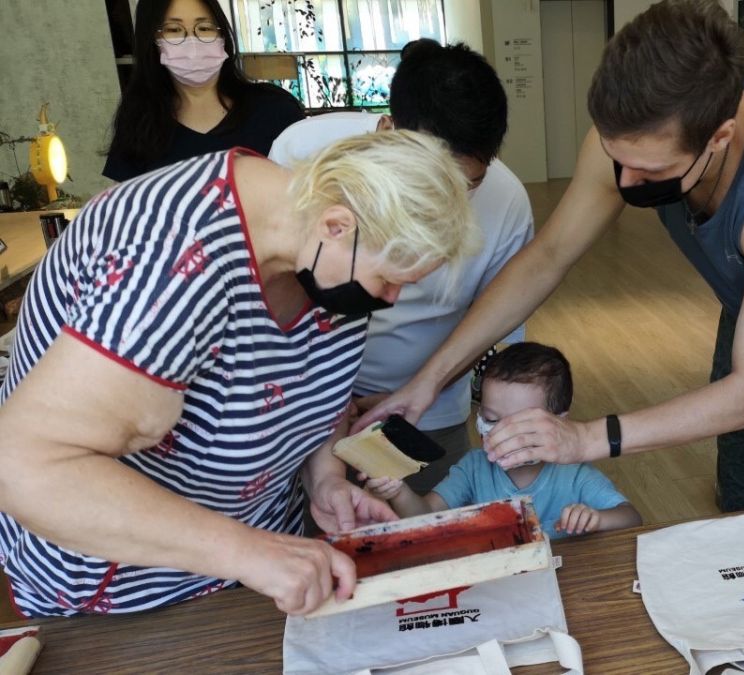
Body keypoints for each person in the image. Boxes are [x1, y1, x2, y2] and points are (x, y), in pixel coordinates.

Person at [357, 0, 744, 512]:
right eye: (615, 157)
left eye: (650, 171)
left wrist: (585, 437)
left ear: (719, 138)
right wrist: (429, 380)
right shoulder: (635, 137)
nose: (624, 182)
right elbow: (548, 256)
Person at [0, 130, 477, 618]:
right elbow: (25, 466)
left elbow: (312, 378)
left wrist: (326, 479)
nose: (390, 300)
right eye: (390, 280)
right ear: (337, 225)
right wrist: (248, 553)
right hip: (125, 590)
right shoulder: (172, 260)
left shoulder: (318, 250)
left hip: (259, 566)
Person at [270, 39, 533, 493]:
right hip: (306, 404)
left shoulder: (506, 200)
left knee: (435, 519)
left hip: (429, 409)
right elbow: (276, 287)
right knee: (325, 514)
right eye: (431, 175)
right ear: (388, 131)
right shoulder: (306, 151)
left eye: (466, 183)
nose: (443, 199)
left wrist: (424, 387)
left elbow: (495, 320)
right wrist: (326, 398)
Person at [365, 343, 642, 539]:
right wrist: (398, 492)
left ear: (559, 425)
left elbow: (631, 518)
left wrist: (598, 519)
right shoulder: (473, 467)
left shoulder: (574, 474)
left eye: (520, 424)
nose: (502, 434)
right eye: (491, 418)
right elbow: (425, 517)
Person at [102, 0, 304, 181]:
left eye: (205, 28)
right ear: (151, 40)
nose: (193, 43)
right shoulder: (139, 121)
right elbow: (126, 204)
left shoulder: (275, 109)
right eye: (173, 29)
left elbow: (313, 191)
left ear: (222, 35)